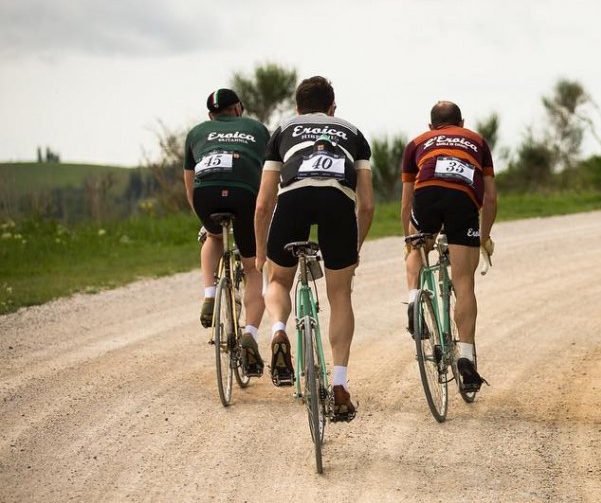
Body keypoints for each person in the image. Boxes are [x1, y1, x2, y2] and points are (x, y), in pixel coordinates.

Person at [254, 76, 374, 419]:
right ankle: (338, 382)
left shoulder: (283, 129)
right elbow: (366, 206)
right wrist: (354, 247)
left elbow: (263, 204)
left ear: (297, 107)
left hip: (293, 199)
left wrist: (262, 254)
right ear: (333, 108)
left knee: (277, 281)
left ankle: (278, 330)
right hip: (338, 203)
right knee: (339, 295)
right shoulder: (352, 132)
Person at [401, 100, 497, 391]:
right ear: (462, 123)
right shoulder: (477, 141)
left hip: (427, 193)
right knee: (464, 281)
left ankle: (415, 296)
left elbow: (407, 202)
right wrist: (483, 235)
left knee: (418, 248)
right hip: (462, 199)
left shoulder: (417, 142)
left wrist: (410, 241)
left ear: (432, 126)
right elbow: (491, 199)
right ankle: (466, 358)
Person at [183, 88, 270, 377]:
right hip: (245, 195)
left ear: (211, 115)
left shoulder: (196, 132)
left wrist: (206, 222)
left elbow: (189, 184)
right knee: (253, 269)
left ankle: (209, 294)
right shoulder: (257, 129)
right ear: (238, 110)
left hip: (205, 194)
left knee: (213, 237)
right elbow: (270, 177)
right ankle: (251, 335)